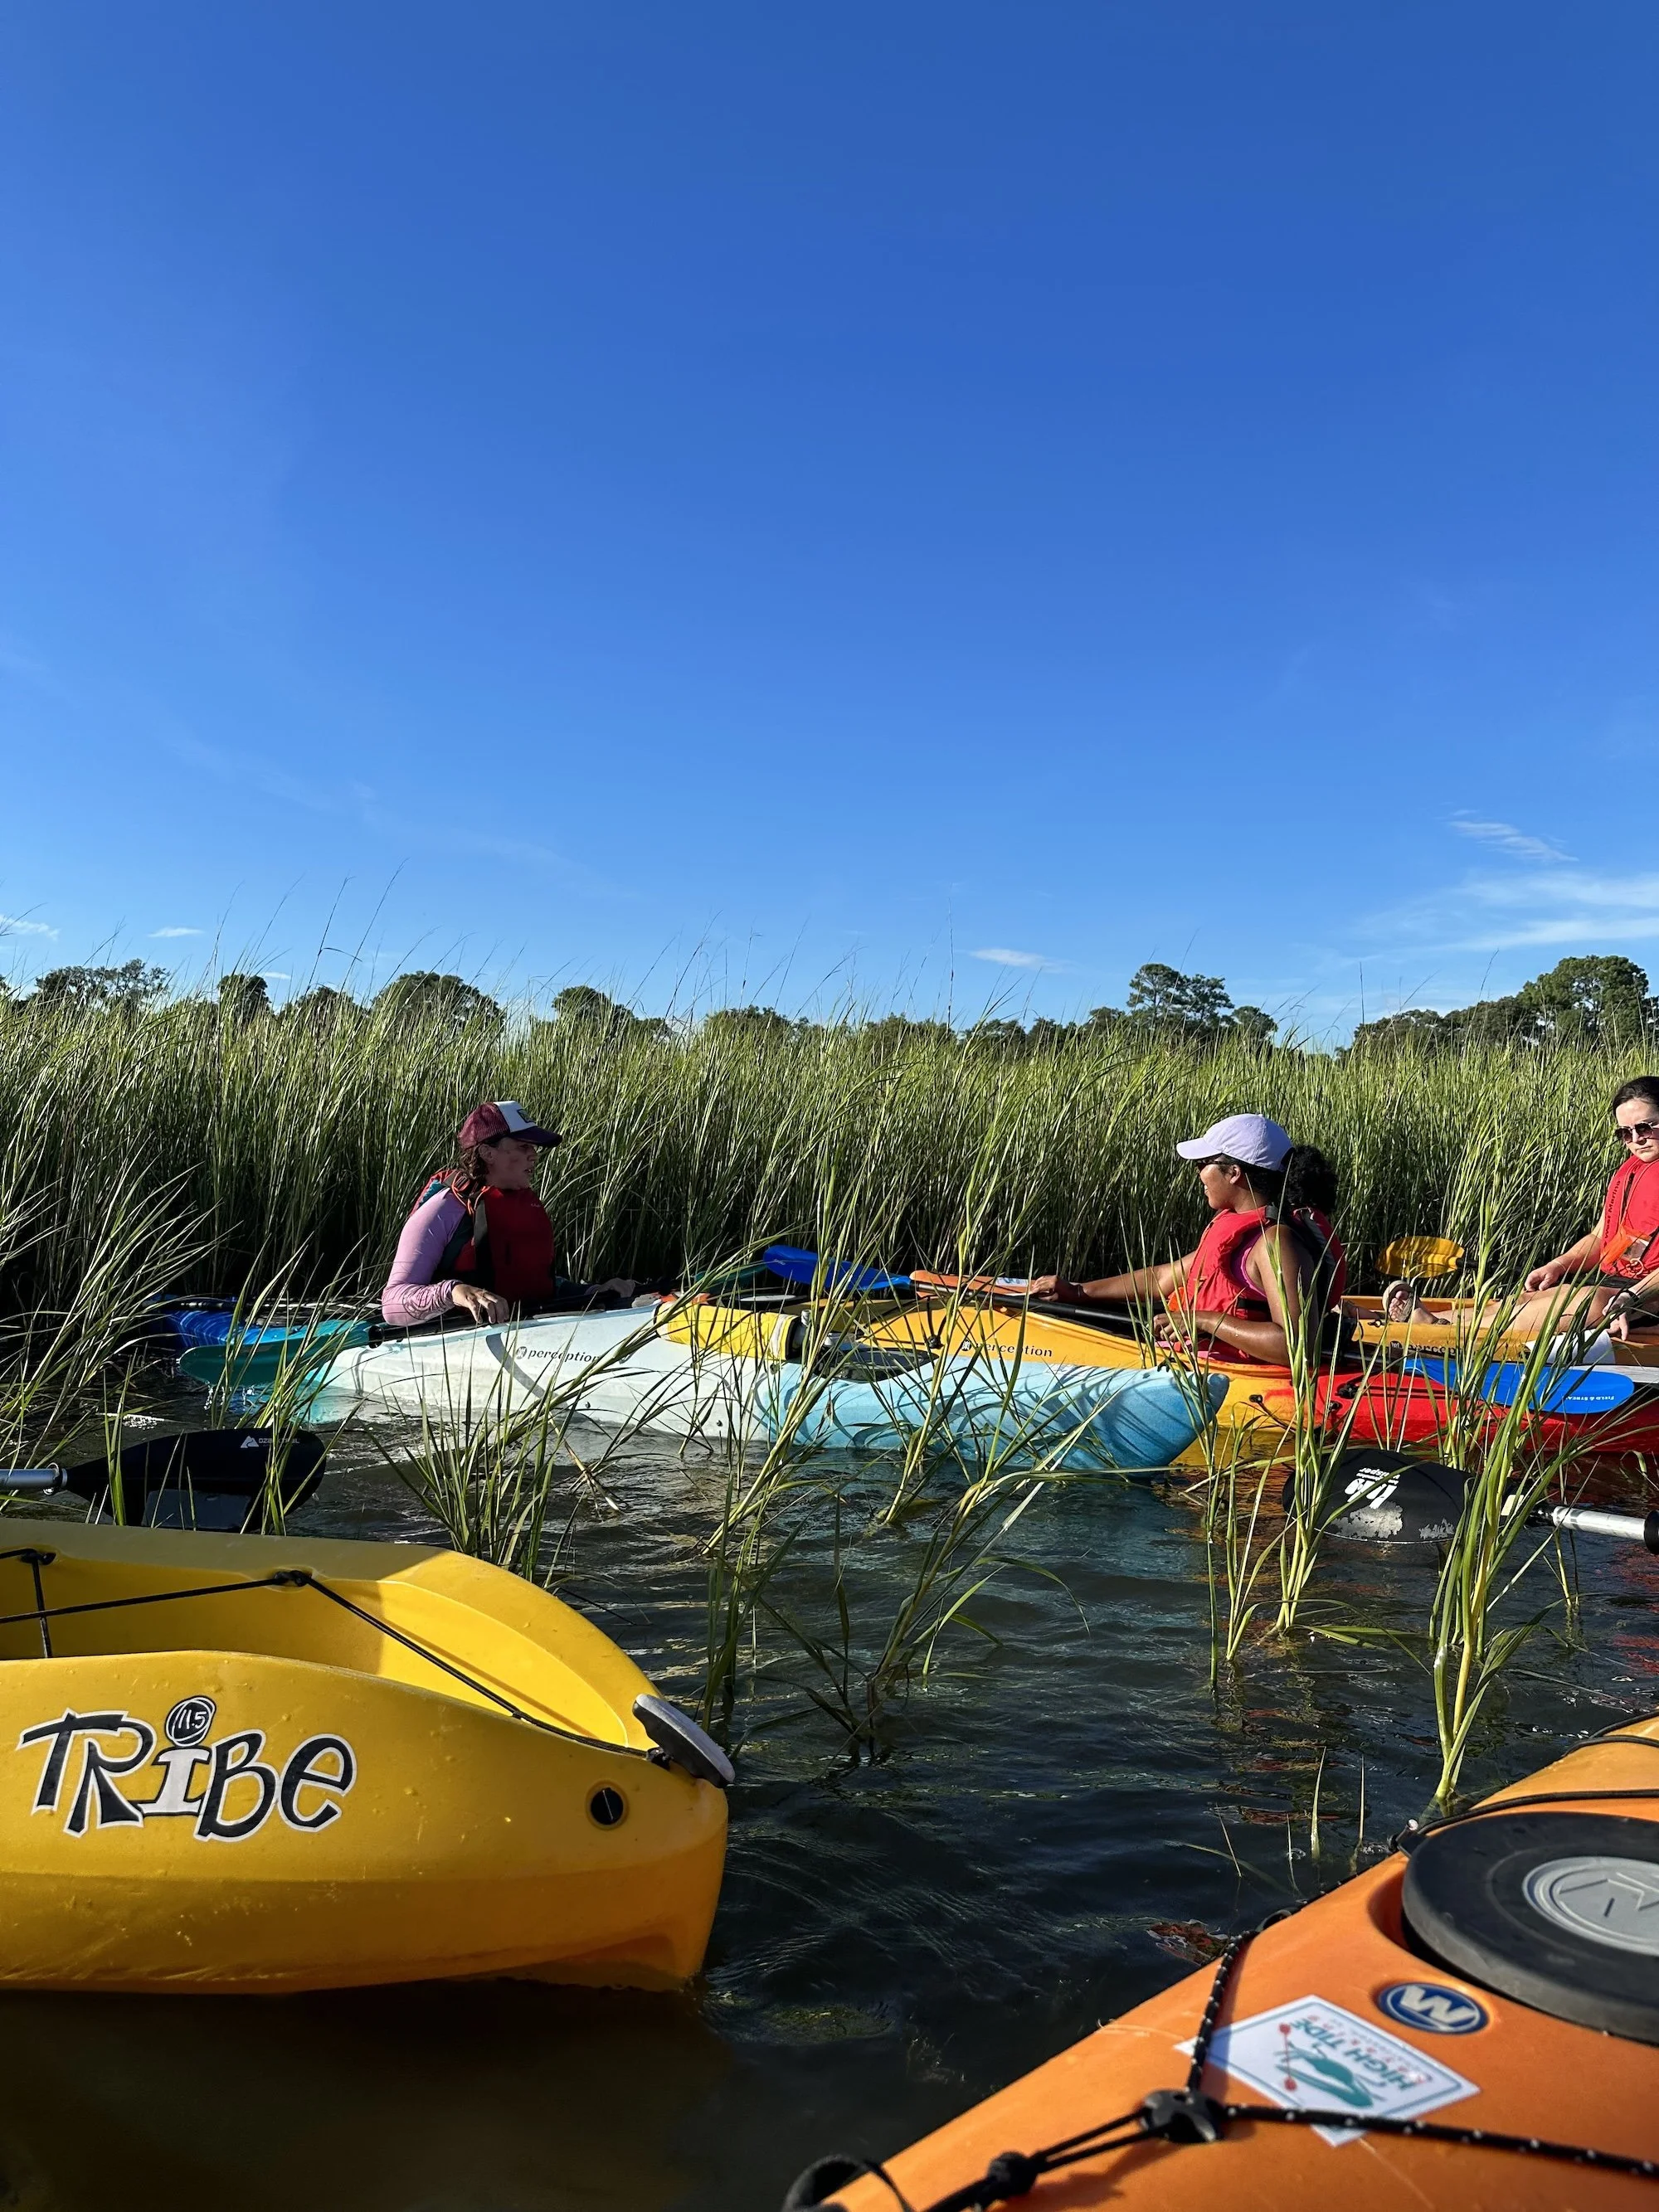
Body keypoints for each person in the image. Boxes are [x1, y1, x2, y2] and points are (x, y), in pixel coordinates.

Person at [1024, 1112, 1345, 1367]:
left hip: (1238, 1378)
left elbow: (1296, 1348)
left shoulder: (1276, 1242)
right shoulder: (1232, 1227)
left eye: (1203, 1164)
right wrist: (1077, 1292)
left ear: (1233, 1172)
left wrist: (1202, 1320)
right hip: (1197, 1361)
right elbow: (1163, 1277)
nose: (1198, 1174)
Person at [1404, 1075, 1659, 1344]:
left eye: (1644, 1128)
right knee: (1525, 1300)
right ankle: (1427, 1321)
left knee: (1587, 1301)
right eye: (1624, 1133)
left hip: (1647, 1297)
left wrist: (1632, 1297)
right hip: (1617, 1285)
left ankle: (1440, 1335)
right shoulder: (1632, 1170)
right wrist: (1557, 1265)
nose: (1635, 1140)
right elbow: (1599, 1237)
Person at [382, 1100, 635, 1328]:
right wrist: (454, 1292)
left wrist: (592, 1292)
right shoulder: (442, 1210)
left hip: (529, 1333)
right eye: (523, 1146)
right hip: (457, 1339)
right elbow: (392, 1306)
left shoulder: (525, 1205)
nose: (534, 1156)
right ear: (487, 1153)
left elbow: (534, 1283)